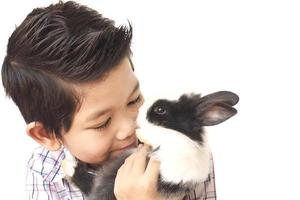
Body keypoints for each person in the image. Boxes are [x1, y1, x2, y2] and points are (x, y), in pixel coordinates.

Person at [1, 1, 216, 199]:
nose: (132, 127)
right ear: (46, 135)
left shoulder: (184, 152)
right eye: (102, 122)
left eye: (133, 101)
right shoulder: (45, 170)